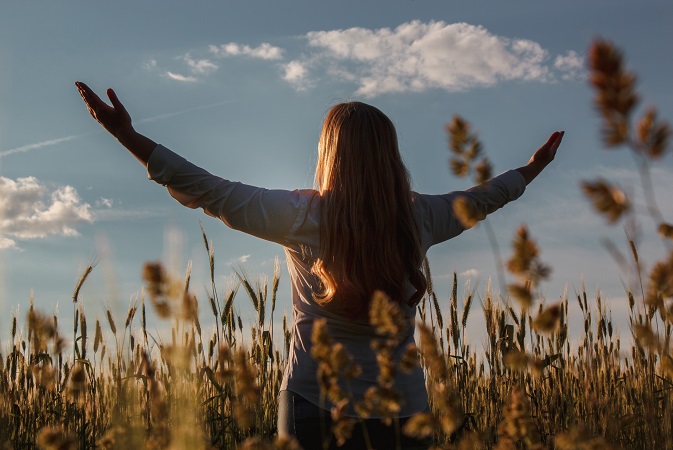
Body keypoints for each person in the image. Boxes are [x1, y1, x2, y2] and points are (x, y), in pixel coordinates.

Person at [75, 82, 563, 449]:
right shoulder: (420, 217)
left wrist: (128, 137)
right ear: (390, 156)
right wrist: (532, 170)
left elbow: (209, 190)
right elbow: (484, 199)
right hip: (404, 412)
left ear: (329, 153)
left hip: (312, 404)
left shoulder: (301, 215)